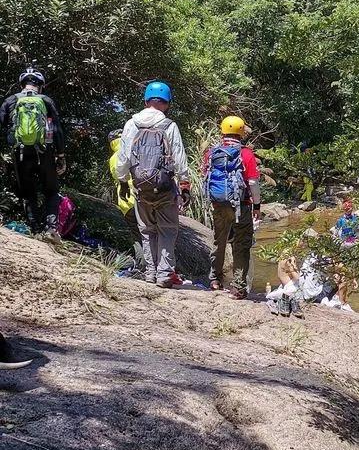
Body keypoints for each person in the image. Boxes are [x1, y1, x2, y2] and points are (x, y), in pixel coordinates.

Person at [115, 81, 191, 289]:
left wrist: (122, 181)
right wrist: (184, 185)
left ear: (146, 100)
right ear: (166, 103)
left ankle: (150, 272)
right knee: (167, 229)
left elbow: (124, 157)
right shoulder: (169, 126)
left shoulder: (132, 124)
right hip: (165, 187)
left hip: (140, 187)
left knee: (147, 230)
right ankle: (165, 274)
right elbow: (179, 158)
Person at [0, 68, 66, 239]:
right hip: (44, 152)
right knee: (51, 190)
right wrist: (61, 156)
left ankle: (35, 229)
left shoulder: (10, 100)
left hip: (20, 153)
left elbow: (3, 127)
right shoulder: (46, 100)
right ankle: (51, 230)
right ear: (41, 85)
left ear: (22, 84)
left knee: (27, 192)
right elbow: (57, 130)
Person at [201, 115, 261, 300]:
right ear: (241, 132)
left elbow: (204, 175)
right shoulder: (246, 154)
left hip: (219, 204)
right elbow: (252, 182)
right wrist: (257, 205)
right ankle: (238, 288)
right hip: (241, 205)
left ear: (222, 131)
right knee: (241, 245)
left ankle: (214, 280)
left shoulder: (212, 153)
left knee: (219, 241)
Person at [107, 129, 143, 266]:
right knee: (149, 233)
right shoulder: (135, 152)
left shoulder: (113, 158)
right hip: (141, 197)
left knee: (137, 236)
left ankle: (143, 265)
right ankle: (156, 268)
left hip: (126, 202)